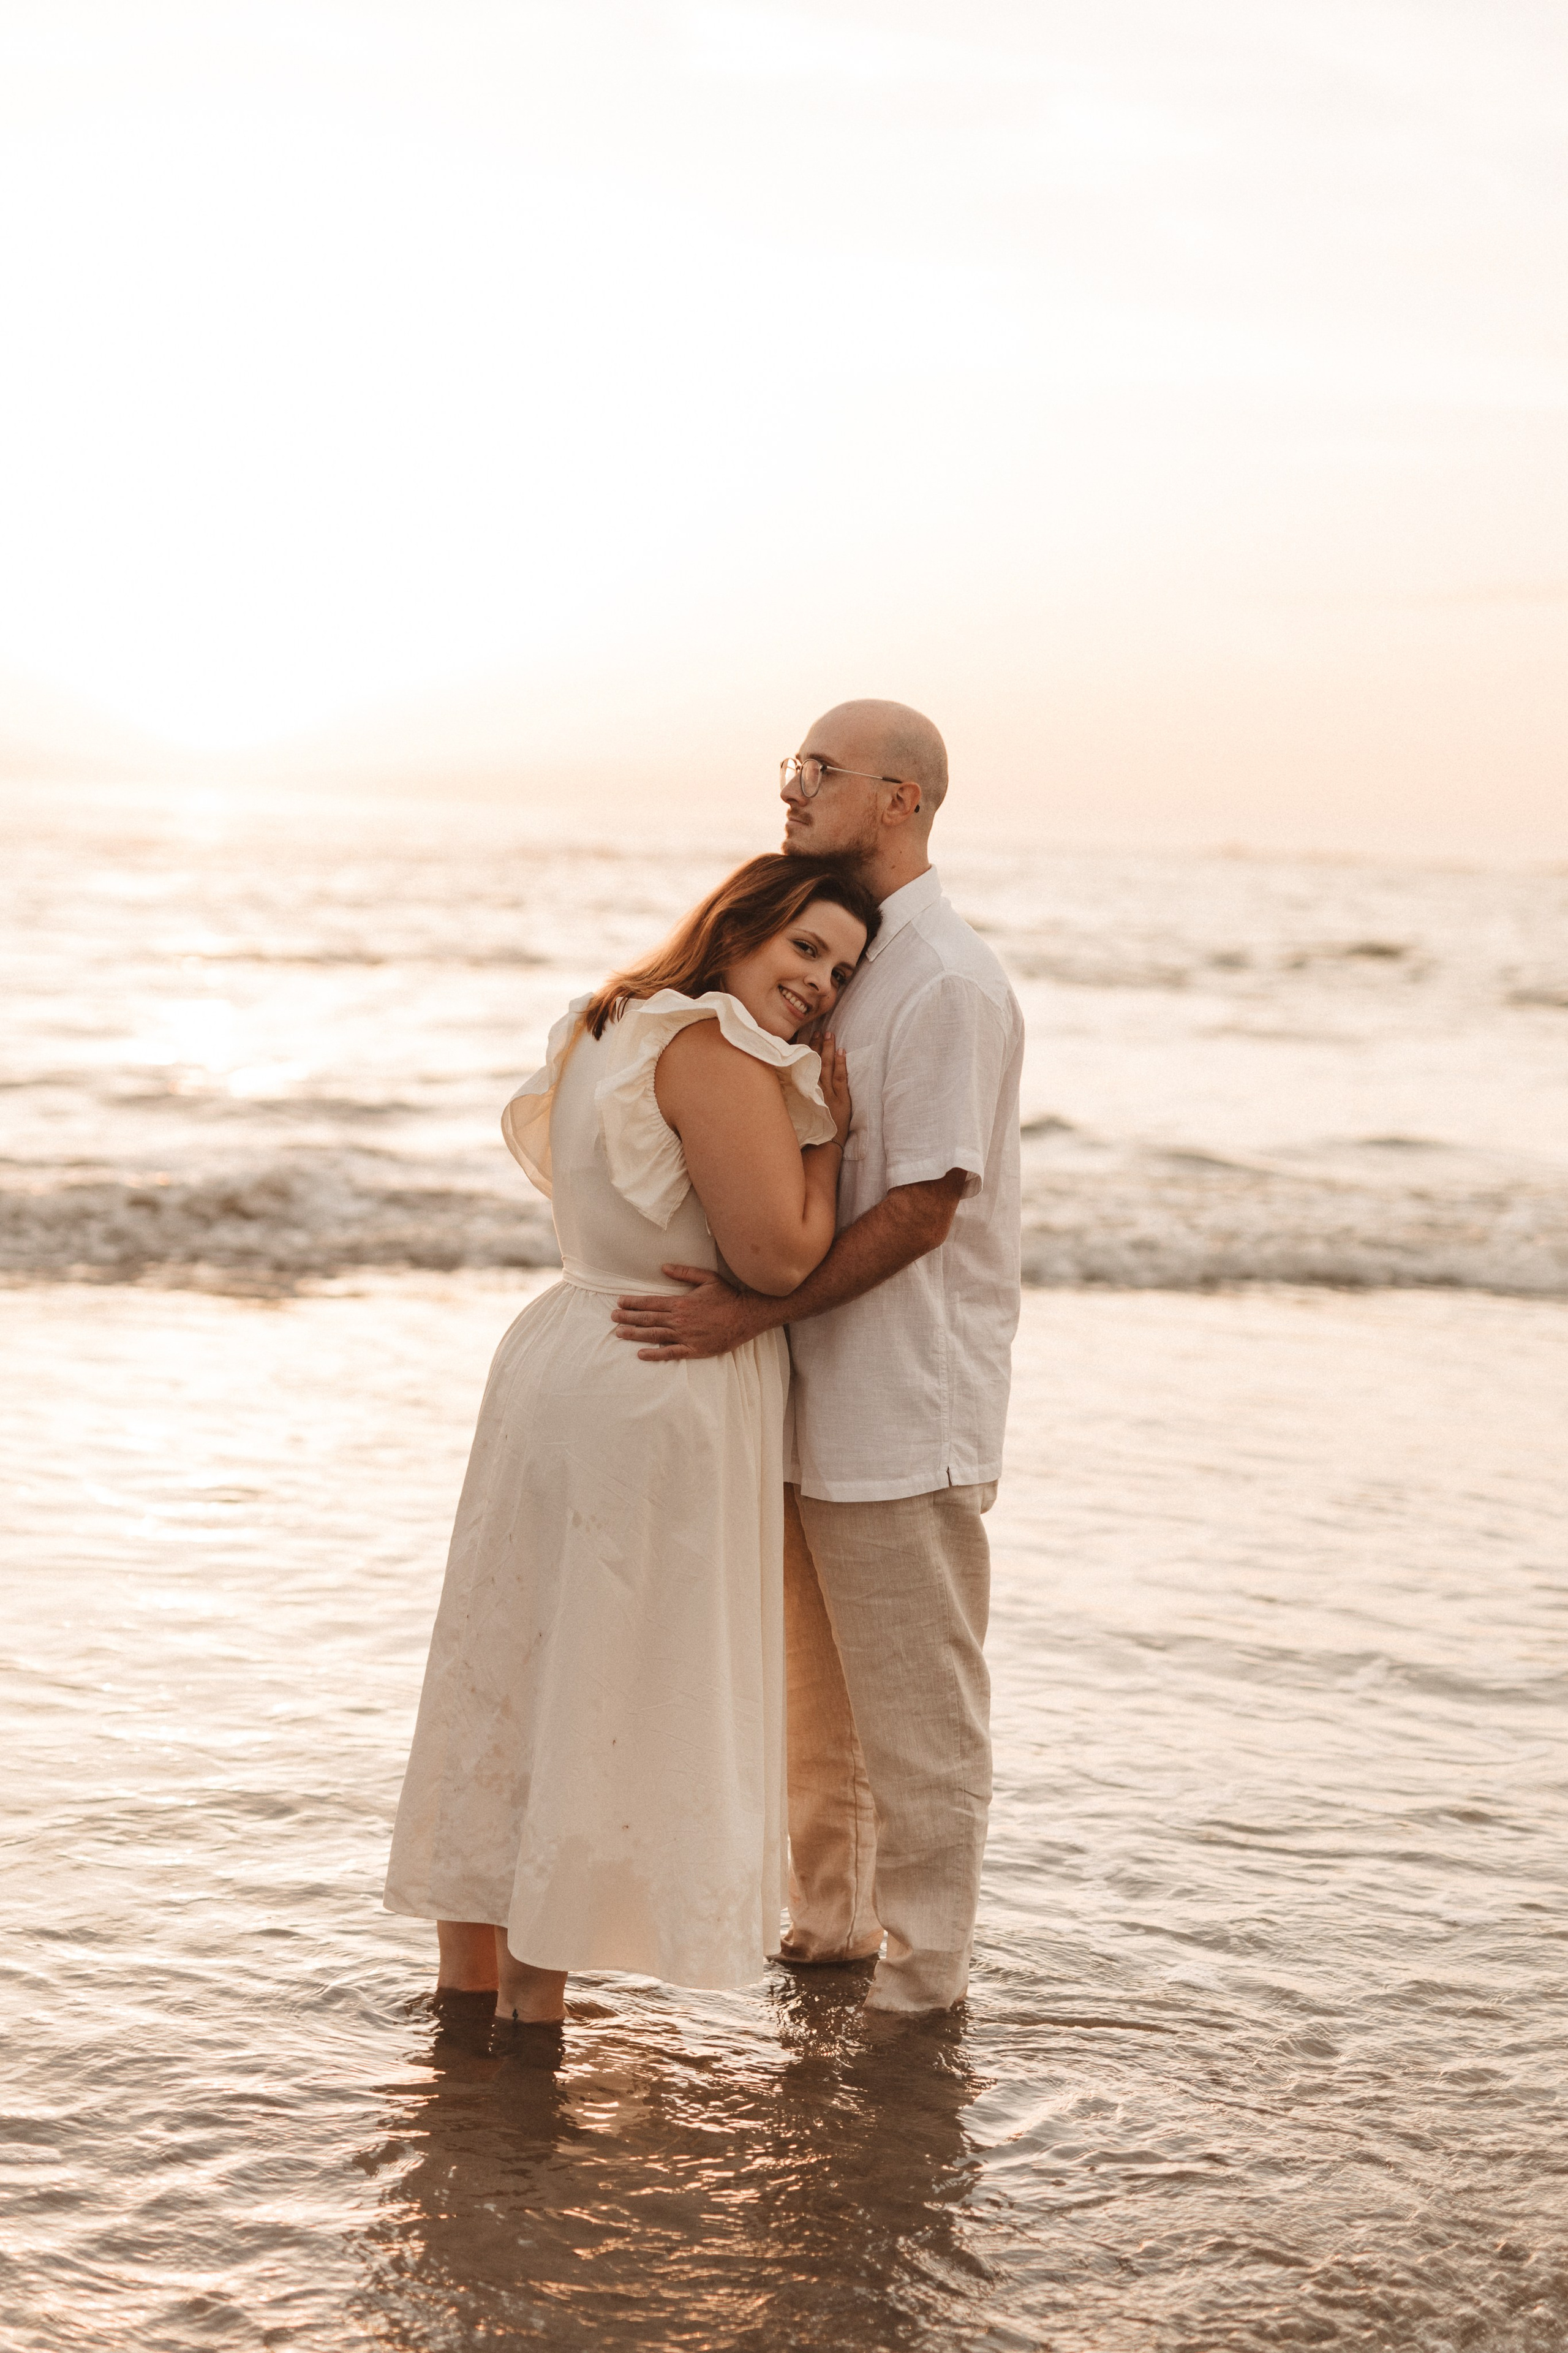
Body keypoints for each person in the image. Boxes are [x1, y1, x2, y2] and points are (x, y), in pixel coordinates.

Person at [383, 853, 879, 2024]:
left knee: (514, 1662)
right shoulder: (714, 1047)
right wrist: (828, 1133)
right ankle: (534, 2008)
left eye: (844, 970)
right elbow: (776, 1258)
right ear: (738, 926)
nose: (818, 984)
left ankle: (470, 1988)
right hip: (657, 1375)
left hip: (566, 1345)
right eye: (804, 948)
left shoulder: (607, 1018)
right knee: (598, 1675)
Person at [612, 701, 1024, 2014]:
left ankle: (927, 1980)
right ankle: (831, 1930)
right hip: (806, 1393)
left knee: (916, 1714)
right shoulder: (849, 955)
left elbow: (922, 1205)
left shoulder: (945, 979)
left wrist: (747, 1314)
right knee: (817, 1706)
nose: (791, 790)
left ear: (901, 798)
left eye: (820, 771)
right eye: (792, 768)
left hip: (908, 1398)